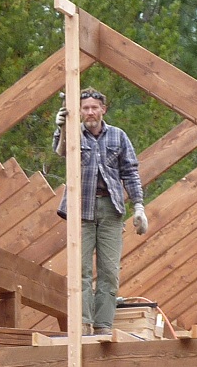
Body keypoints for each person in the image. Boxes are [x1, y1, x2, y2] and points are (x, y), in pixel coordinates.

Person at [53, 88, 148, 335]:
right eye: (85, 108)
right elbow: (61, 152)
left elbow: (130, 172)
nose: (90, 112)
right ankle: (83, 325)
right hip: (80, 208)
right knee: (80, 270)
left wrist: (138, 206)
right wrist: (63, 126)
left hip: (111, 208)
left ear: (103, 110)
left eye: (94, 107)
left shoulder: (118, 136)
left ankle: (103, 325)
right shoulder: (73, 134)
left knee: (109, 270)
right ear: (80, 112)